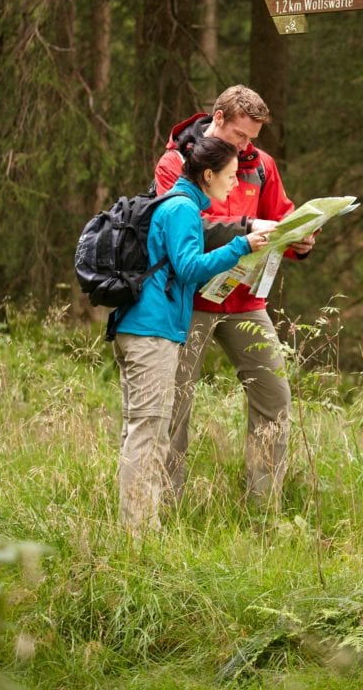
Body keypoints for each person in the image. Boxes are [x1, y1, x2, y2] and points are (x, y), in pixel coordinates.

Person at [154, 84, 315, 508]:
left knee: (274, 398)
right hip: (190, 301)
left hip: (246, 301)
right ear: (218, 119)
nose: (245, 147)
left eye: (252, 140)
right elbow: (190, 225)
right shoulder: (176, 163)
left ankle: (264, 509)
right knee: (174, 406)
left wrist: (300, 236)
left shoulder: (261, 164)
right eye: (240, 136)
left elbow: (281, 213)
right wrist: (249, 229)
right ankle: (165, 509)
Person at [114, 136, 271, 533]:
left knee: (143, 430)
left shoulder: (178, 204)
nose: (236, 184)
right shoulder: (183, 208)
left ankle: (140, 528)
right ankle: (138, 535)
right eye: (231, 176)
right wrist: (241, 245)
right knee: (148, 434)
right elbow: (187, 268)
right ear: (207, 175)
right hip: (152, 332)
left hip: (142, 328)